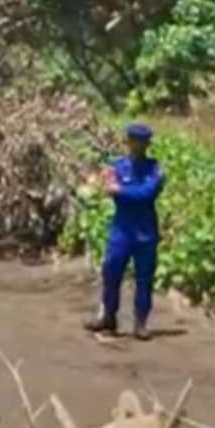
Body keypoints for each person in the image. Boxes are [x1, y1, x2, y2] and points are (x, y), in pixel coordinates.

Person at [85, 122, 165, 340]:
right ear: (127, 141)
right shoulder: (117, 166)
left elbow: (147, 194)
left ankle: (140, 323)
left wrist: (120, 190)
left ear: (147, 143)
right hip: (122, 229)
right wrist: (121, 190)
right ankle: (108, 316)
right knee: (111, 271)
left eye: (140, 141)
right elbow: (110, 189)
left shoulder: (154, 168)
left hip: (145, 231)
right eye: (132, 140)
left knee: (144, 278)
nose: (135, 145)